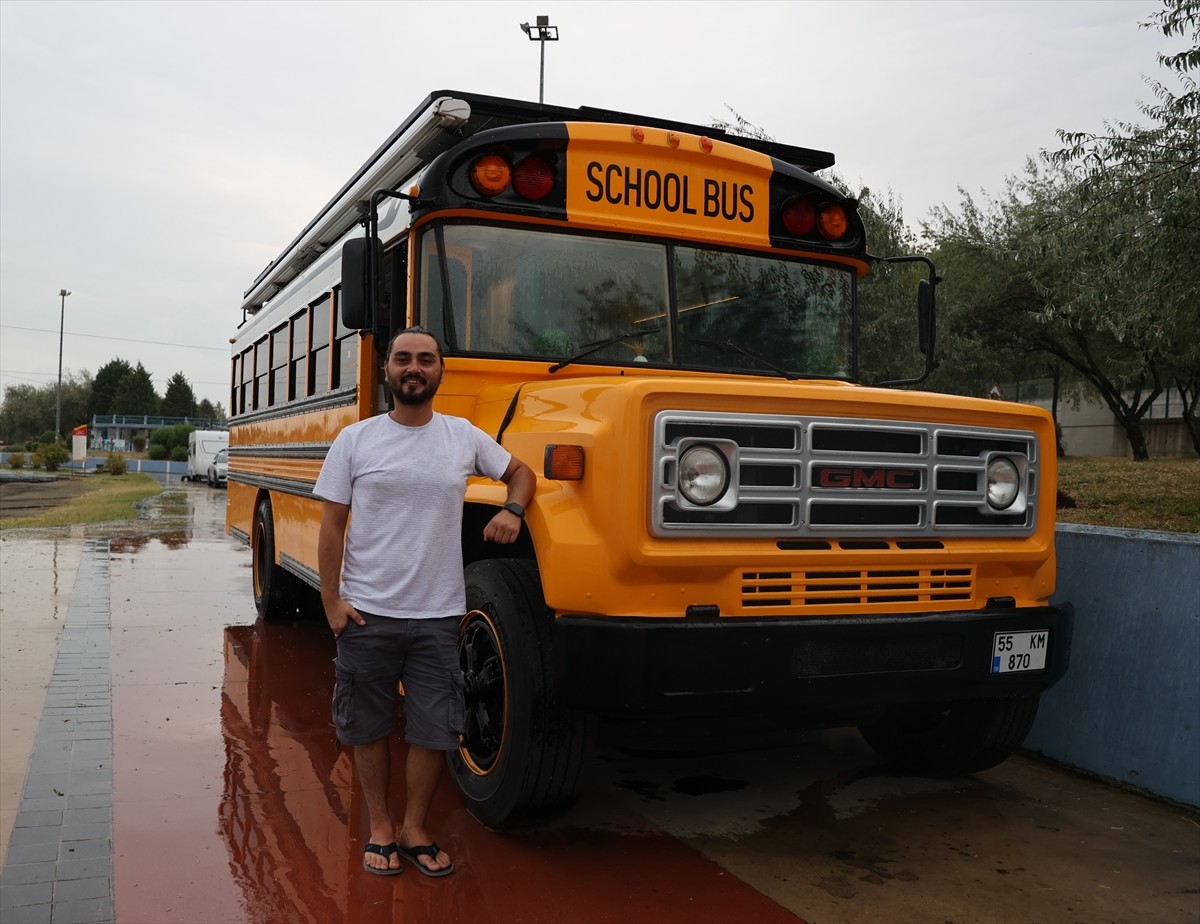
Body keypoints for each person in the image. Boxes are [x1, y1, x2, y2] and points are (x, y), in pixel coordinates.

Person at [314, 326, 535, 877]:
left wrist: (514, 510)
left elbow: (522, 473)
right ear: (386, 369)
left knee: (433, 728)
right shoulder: (355, 440)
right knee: (367, 727)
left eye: (427, 360)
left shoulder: (462, 436)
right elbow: (331, 527)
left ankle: (414, 826)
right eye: (404, 359)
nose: (415, 368)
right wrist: (331, 602)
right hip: (368, 611)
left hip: (439, 612)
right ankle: (381, 826)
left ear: (441, 372)